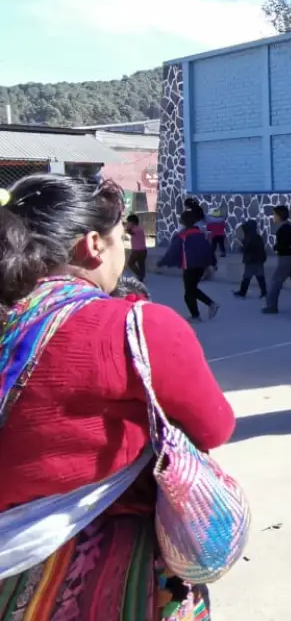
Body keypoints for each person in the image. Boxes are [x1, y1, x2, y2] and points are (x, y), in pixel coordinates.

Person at [0, 173, 236, 619]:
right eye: (120, 236)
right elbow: (215, 425)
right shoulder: (136, 327)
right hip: (101, 568)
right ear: (93, 244)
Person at [159, 208, 220, 323]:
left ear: (183, 222)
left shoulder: (182, 236)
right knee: (192, 289)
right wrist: (213, 262)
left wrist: (162, 262)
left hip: (190, 267)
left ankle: (198, 314)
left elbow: (173, 251)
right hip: (200, 267)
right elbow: (208, 249)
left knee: (188, 293)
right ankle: (209, 305)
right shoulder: (200, 234)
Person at [232, 218, 268, 298]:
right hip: (259, 260)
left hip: (251, 260)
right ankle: (264, 292)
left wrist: (241, 247)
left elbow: (247, 248)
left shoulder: (249, 237)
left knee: (247, 277)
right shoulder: (257, 237)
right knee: (260, 276)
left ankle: (242, 292)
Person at [124, 213, 147, 281]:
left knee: (130, 263)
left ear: (133, 223)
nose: (127, 224)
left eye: (128, 222)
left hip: (136, 251)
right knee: (141, 264)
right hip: (143, 250)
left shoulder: (135, 229)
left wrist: (126, 228)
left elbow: (129, 231)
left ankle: (140, 274)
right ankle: (141, 276)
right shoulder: (140, 228)